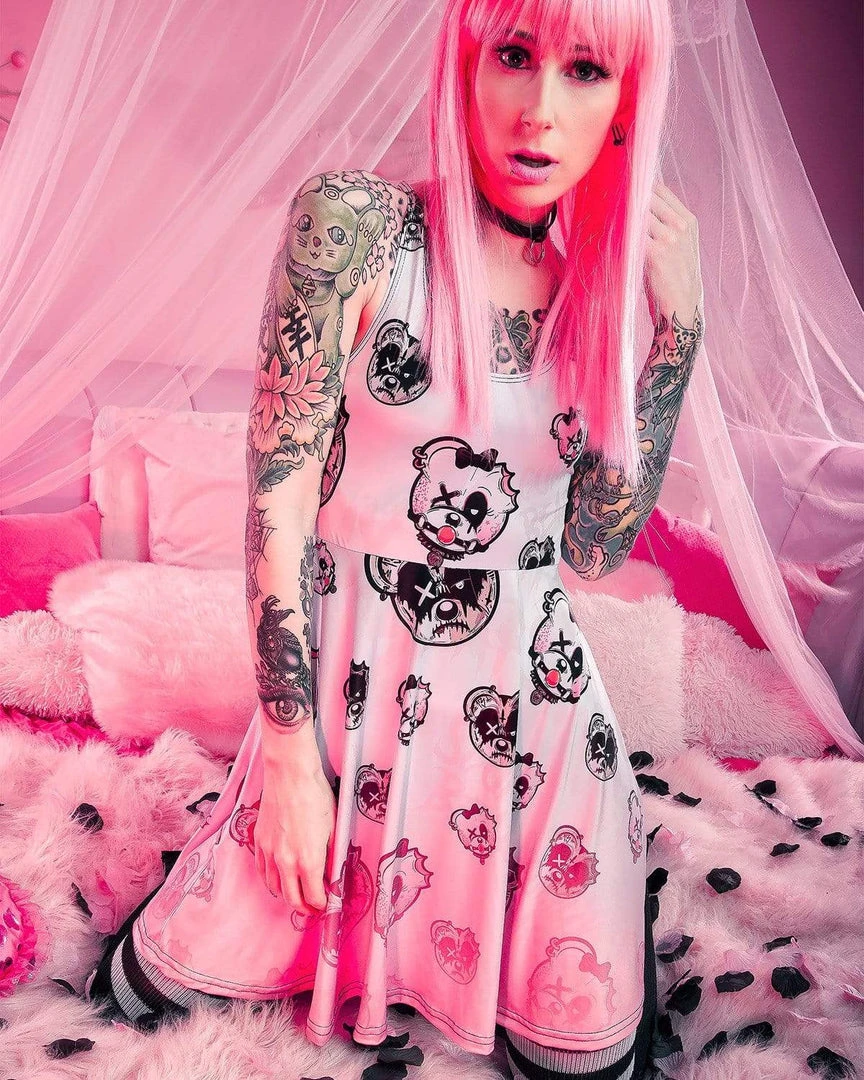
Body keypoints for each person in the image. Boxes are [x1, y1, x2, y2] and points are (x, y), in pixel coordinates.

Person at [87, 0, 704, 1077]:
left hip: (537, 735)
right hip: (344, 712)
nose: (539, 110)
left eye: (585, 71)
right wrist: (290, 757)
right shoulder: (356, 226)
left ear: (625, 106)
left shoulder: (596, 298)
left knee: (584, 1062)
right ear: (464, 64)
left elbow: (595, 552)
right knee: (138, 996)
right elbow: (278, 496)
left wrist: (677, 333)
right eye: (514, 55)